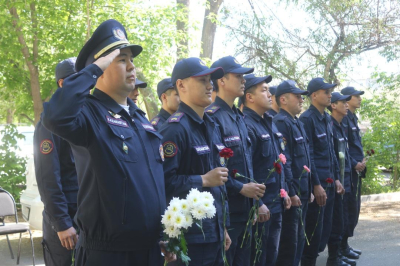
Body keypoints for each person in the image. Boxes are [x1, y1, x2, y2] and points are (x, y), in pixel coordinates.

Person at [42, 19, 174, 265]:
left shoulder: (140, 119)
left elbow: (149, 183)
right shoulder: (88, 114)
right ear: (99, 68)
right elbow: (54, 117)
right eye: (121, 60)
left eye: (131, 60)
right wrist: (91, 71)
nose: (131, 67)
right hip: (109, 255)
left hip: (149, 250)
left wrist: (161, 234)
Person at [159, 57, 231, 265]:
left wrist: (222, 226)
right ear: (181, 85)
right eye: (202, 80)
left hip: (214, 233)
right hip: (190, 239)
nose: (210, 86)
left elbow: (219, 185)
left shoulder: (211, 125)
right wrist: (203, 180)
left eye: (210, 80)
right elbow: (163, 183)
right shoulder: (174, 129)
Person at [207, 56, 266, 266]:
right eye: (238, 76)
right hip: (228, 213)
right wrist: (240, 188)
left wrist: (255, 202)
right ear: (221, 81)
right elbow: (212, 168)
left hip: (246, 211)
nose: (243, 80)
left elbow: (246, 163)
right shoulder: (212, 116)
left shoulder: (238, 117)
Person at [241, 74, 291, 266]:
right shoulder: (246, 124)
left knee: (272, 255)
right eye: (264, 90)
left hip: (275, 202)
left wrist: (284, 190)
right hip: (261, 207)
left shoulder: (269, 121)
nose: (270, 95)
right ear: (249, 97)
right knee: (258, 258)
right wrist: (257, 203)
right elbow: (247, 169)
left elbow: (278, 160)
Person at [34, 57, 78, 266]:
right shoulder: (49, 122)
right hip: (64, 218)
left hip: (86, 215)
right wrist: (61, 223)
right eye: (76, 80)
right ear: (62, 83)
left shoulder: (82, 118)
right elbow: (47, 177)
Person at [299, 78, 345, 266]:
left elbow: (331, 152)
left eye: (330, 91)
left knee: (325, 232)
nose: (329, 95)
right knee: (313, 235)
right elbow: (309, 156)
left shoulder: (326, 118)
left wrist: (336, 179)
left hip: (329, 184)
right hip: (318, 186)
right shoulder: (307, 119)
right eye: (326, 92)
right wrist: (316, 184)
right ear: (314, 95)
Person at [273, 80, 312, 266]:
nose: (301, 100)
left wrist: (310, 187)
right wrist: (292, 191)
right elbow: (285, 160)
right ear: (283, 99)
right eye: (297, 96)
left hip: (303, 190)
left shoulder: (296, 122)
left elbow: (305, 159)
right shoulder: (280, 122)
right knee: (289, 244)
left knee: (299, 241)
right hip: (294, 192)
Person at [325, 92, 357, 266]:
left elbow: (345, 153)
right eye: (342, 102)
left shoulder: (341, 124)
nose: (347, 105)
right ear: (334, 106)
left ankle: (340, 252)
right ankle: (334, 257)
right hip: (336, 180)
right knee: (337, 220)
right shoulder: (330, 124)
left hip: (344, 177)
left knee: (344, 217)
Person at [340, 87, 366, 259]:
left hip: (356, 171)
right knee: (348, 210)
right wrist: (353, 163)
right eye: (356, 97)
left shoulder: (352, 118)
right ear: (347, 100)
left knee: (354, 209)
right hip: (349, 171)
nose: (359, 99)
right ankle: (341, 248)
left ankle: (345, 245)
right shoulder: (343, 119)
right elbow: (342, 149)